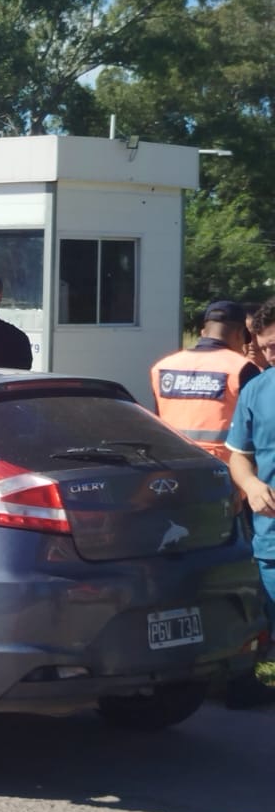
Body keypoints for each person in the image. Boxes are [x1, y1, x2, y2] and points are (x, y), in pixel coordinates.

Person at [222, 296, 275, 706]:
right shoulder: (257, 389)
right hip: (270, 540)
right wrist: (251, 485)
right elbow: (239, 455)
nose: (272, 354)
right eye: (267, 346)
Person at [150, 299, 259, 461]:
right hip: (224, 468)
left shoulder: (162, 367)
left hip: (173, 463)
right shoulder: (242, 368)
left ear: (204, 332)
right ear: (239, 334)